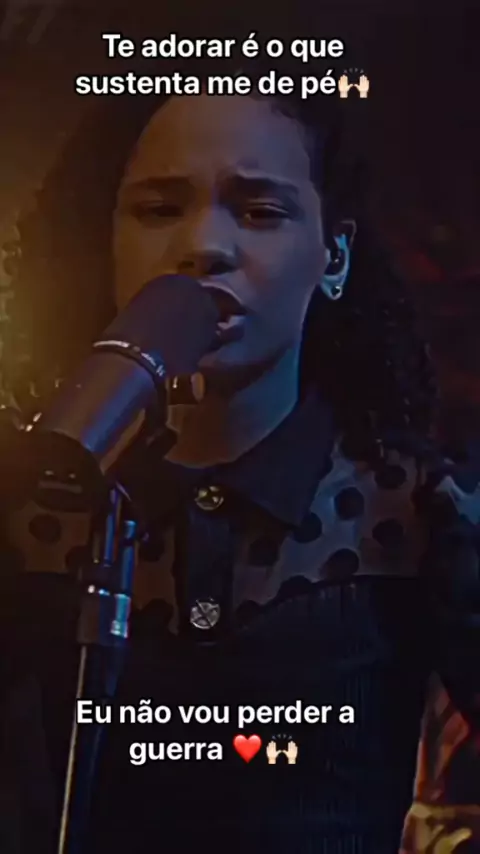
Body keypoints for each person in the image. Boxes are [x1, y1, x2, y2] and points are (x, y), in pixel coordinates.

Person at [1, 65, 480, 854]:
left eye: (259, 211)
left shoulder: (417, 510)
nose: (203, 247)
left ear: (334, 257)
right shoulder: (29, 507)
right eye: (159, 209)